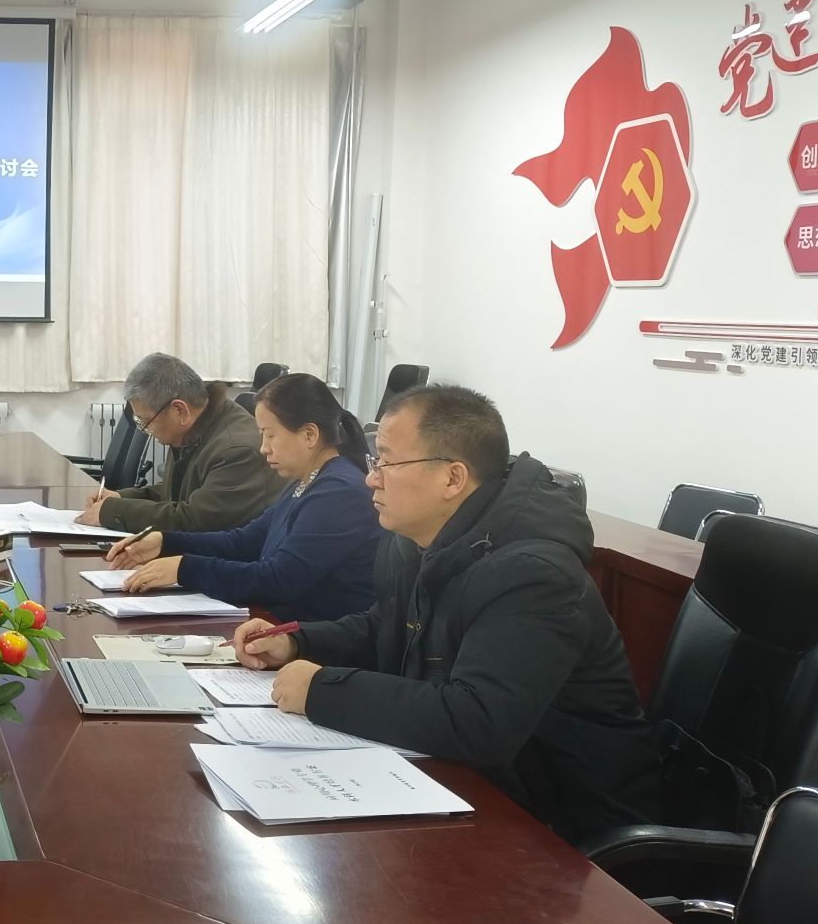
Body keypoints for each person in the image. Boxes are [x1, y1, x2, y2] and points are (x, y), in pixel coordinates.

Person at [232, 384, 660, 846]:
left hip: (567, 827)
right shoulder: (414, 540)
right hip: (471, 790)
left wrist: (322, 690)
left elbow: (477, 721)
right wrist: (298, 642)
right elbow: (383, 628)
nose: (370, 480)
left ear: (453, 478)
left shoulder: (533, 574)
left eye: (386, 463)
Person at [105, 372, 380, 622]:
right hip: (282, 627)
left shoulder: (339, 493)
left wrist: (184, 568)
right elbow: (243, 542)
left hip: (313, 643)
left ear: (309, 435)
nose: (263, 448)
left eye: (270, 435)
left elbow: (278, 581)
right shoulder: (309, 480)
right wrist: (165, 542)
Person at [77, 353, 280, 534]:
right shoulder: (189, 429)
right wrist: (120, 497)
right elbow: (176, 493)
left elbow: (194, 520)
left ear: (180, 410)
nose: (145, 429)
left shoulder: (236, 450)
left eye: (146, 421)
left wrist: (113, 511)